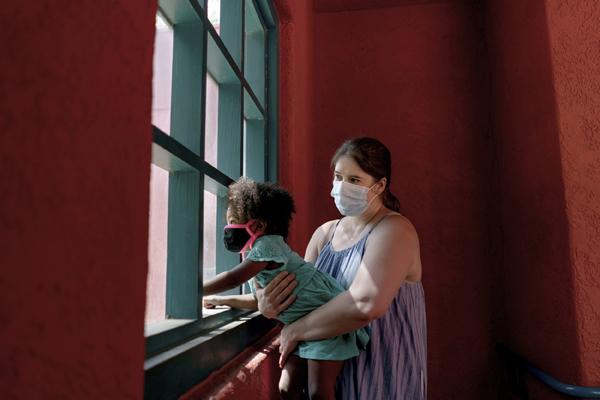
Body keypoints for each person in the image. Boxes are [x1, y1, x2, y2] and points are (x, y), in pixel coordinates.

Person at [258, 137, 428, 399]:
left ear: (380, 185)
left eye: (354, 180)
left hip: (382, 370)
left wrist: (296, 330)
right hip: (329, 372)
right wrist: (266, 303)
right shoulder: (325, 234)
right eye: (338, 176)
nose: (342, 186)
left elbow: (365, 303)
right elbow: (301, 295)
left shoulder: (395, 230)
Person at [202, 177, 369, 400]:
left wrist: (196, 289)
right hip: (304, 329)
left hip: (324, 326)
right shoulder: (260, 256)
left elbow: (234, 278)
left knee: (319, 393)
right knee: (287, 389)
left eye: (232, 221)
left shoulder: (267, 245)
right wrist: (223, 301)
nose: (228, 228)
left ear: (258, 226)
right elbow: (258, 299)